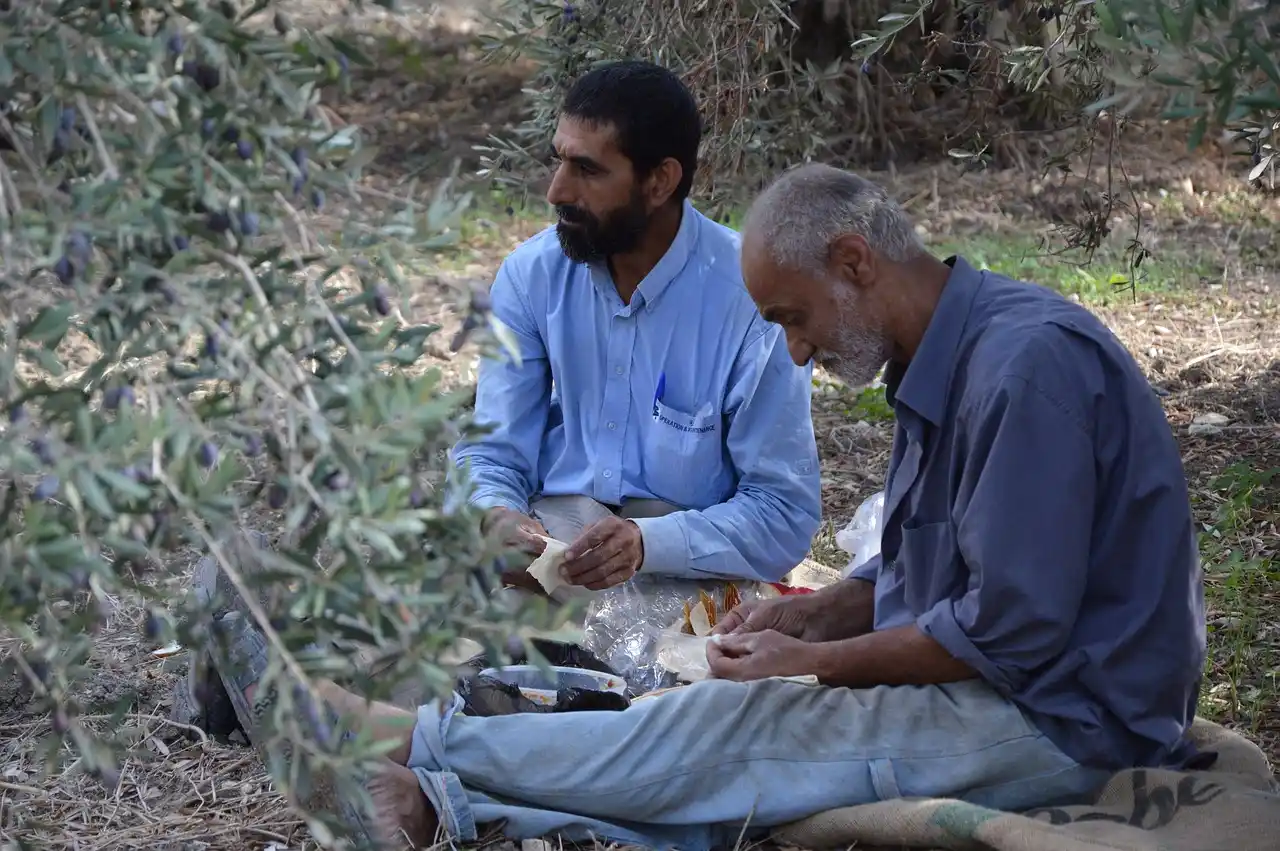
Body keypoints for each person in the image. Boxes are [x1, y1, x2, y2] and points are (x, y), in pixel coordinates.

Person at [206, 163, 1208, 851]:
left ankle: (405, 743)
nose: (795, 351)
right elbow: (932, 571)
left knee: (739, 733)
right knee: (709, 725)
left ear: (853, 262)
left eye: (793, 318)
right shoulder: (941, 357)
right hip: (1008, 683)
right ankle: (432, 800)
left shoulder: (1021, 367)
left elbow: (1010, 628)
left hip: (1066, 723)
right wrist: (819, 610)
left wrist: (810, 659)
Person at [449, 60, 821, 598]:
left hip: (694, 561)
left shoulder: (750, 295)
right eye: (559, 161)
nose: (557, 191)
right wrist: (497, 518)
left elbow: (782, 513)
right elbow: (491, 452)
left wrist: (647, 544)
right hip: (553, 547)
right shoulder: (534, 276)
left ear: (660, 181)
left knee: (688, 677)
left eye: (588, 170)